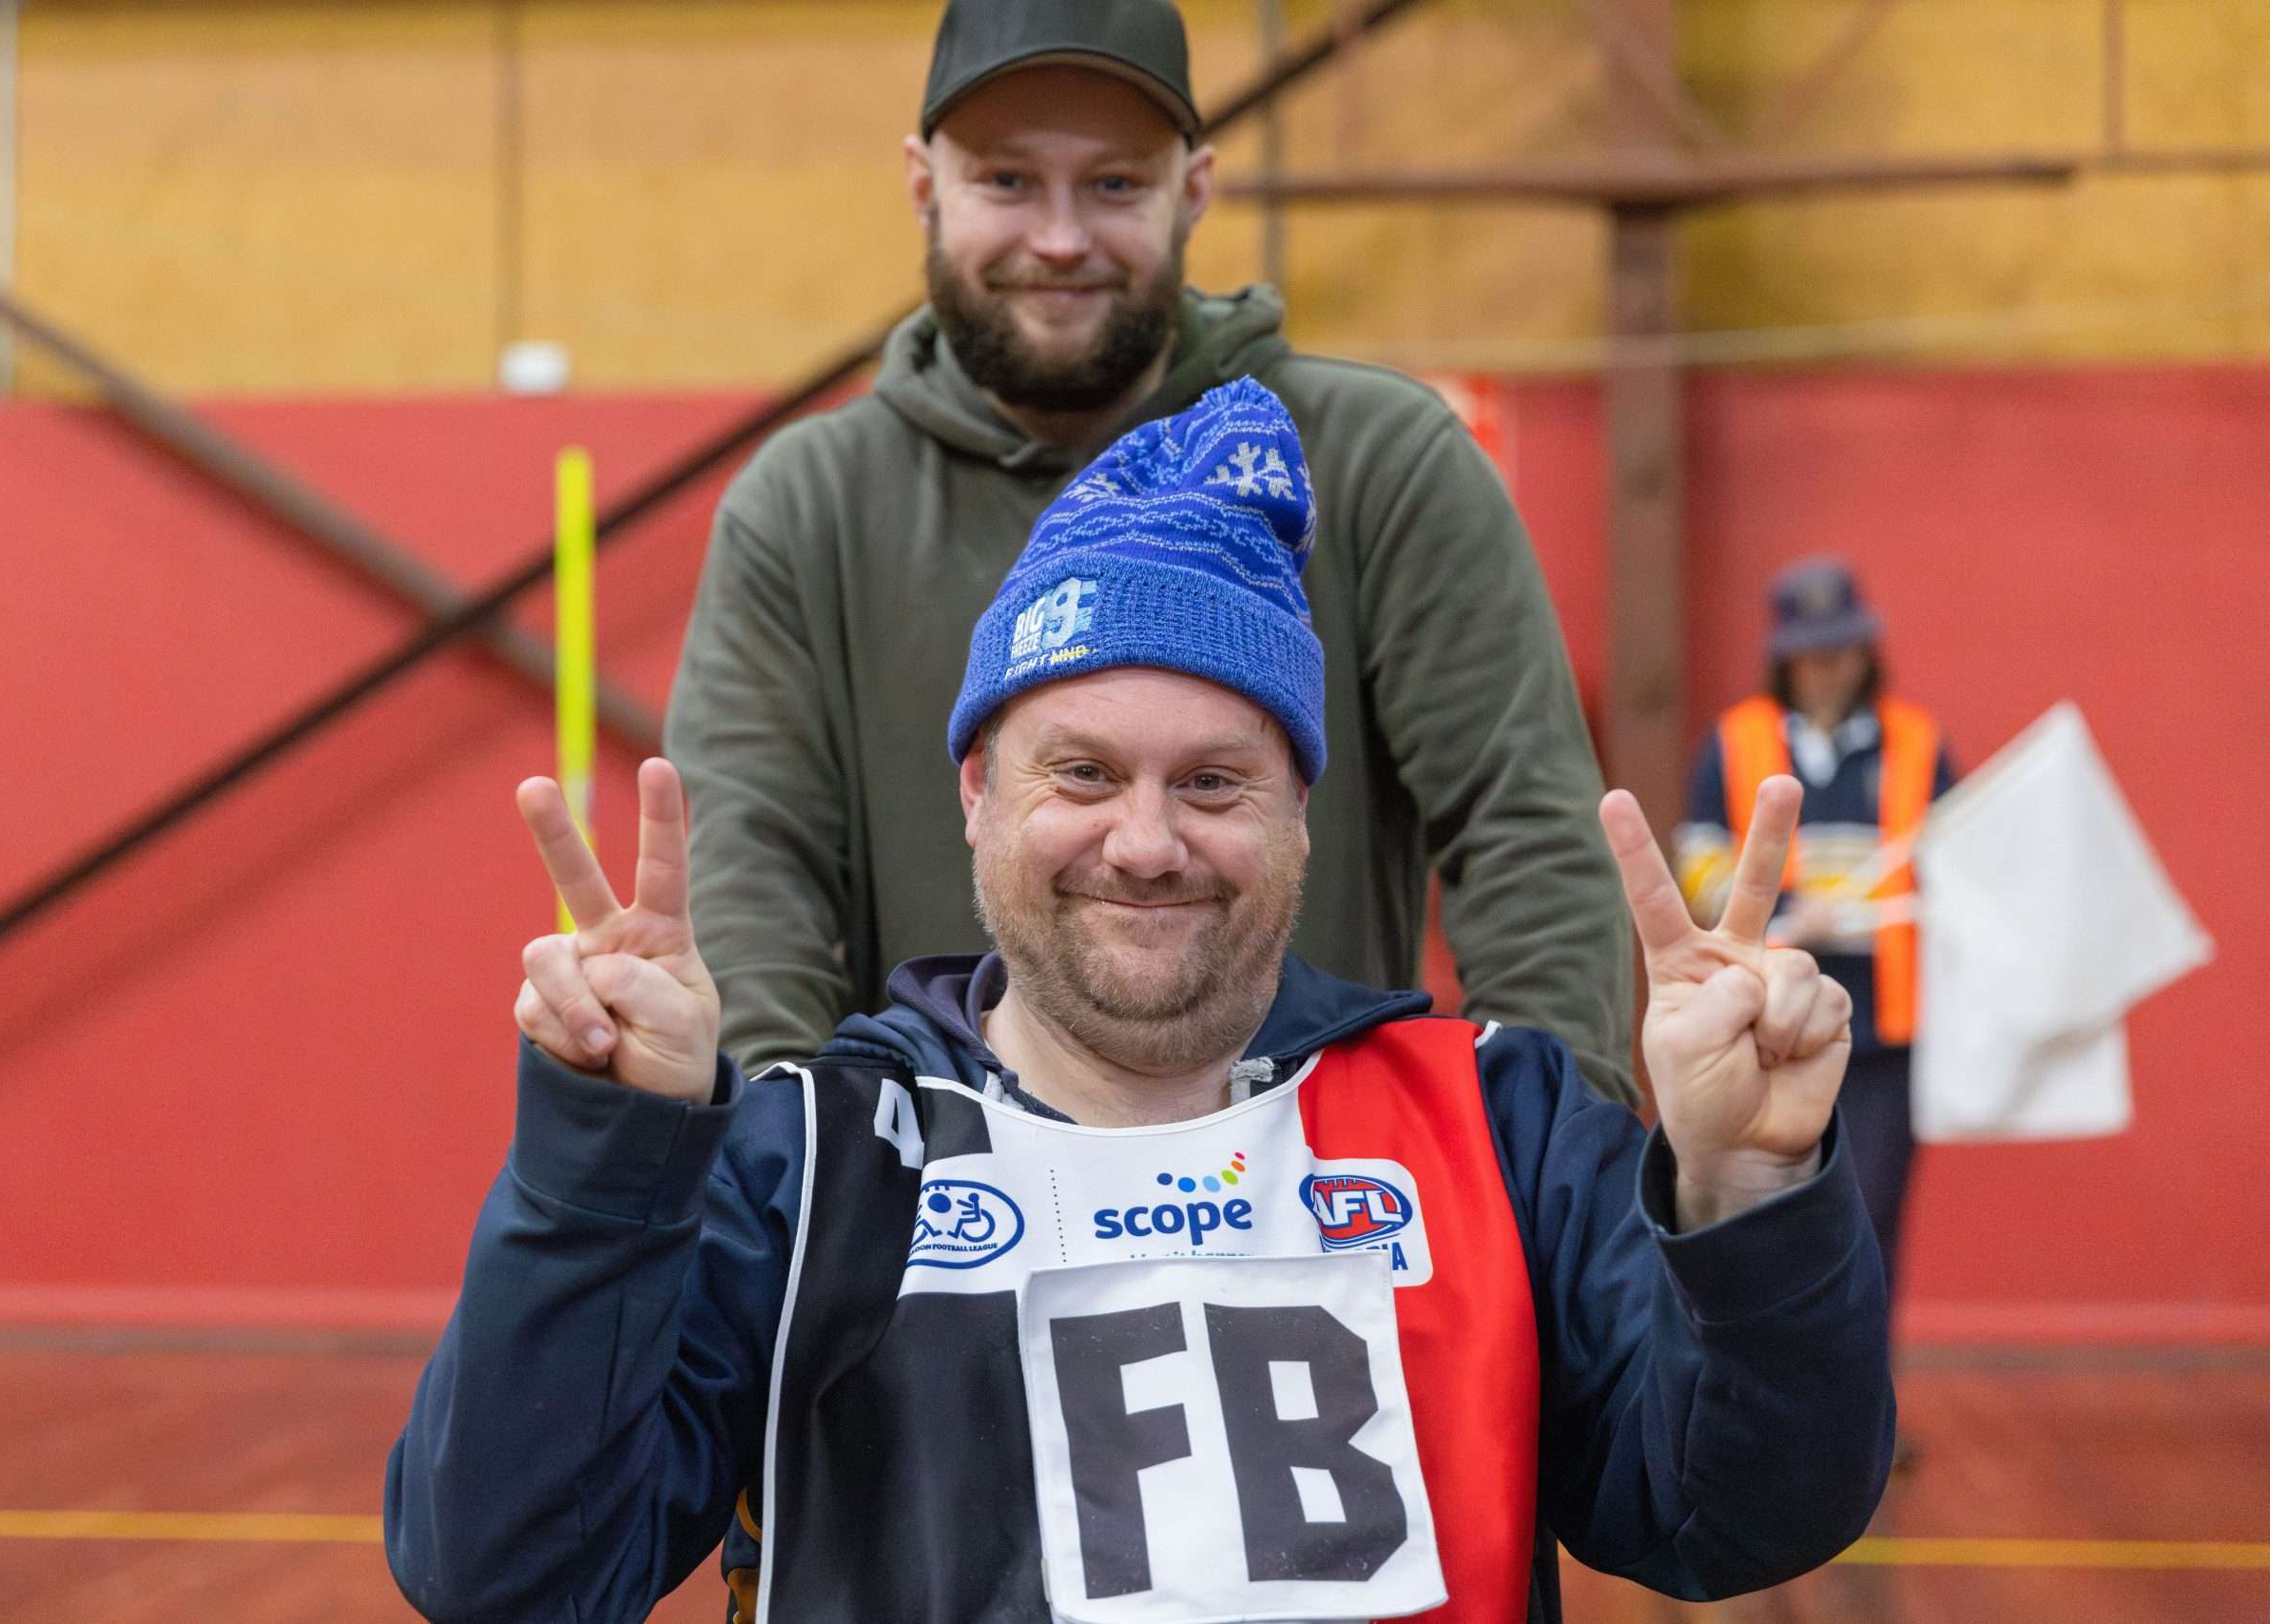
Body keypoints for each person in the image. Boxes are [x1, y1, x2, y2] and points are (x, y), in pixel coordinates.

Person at [388, 383, 1892, 1624]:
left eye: (1215, 782)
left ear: (1299, 813)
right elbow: (511, 1576)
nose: (1148, 842)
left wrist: (1750, 1190)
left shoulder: (1499, 1123)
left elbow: (1739, 1519)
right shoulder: (815, 1159)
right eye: (1084, 773)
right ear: (977, 794)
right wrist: (607, 1161)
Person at [664, 0, 1639, 1107]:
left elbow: (1524, 836)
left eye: (1115, 184)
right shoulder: (806, 507)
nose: (1060, 239)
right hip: (933, 1191)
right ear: (924, 185)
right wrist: (789, 1158)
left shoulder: (1381, 461)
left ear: (1195, 189)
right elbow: (751, 882)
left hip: (1329, 1184)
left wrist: (1550, 1151)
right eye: (1007, 181)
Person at [1675, 557, 1954, 1311]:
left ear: (1865, 652)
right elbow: (1699, 859)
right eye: (1812, 654)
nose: (1828, 669)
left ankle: (1867, 1383)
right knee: (1770, 1219)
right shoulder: (1735, 740)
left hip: (1885, 1026)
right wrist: (1790, 908)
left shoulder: (1917, 742)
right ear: (1786, 660)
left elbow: (1958, 864)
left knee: (1872, 1218)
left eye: (1841, 650)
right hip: (1770, 1019)